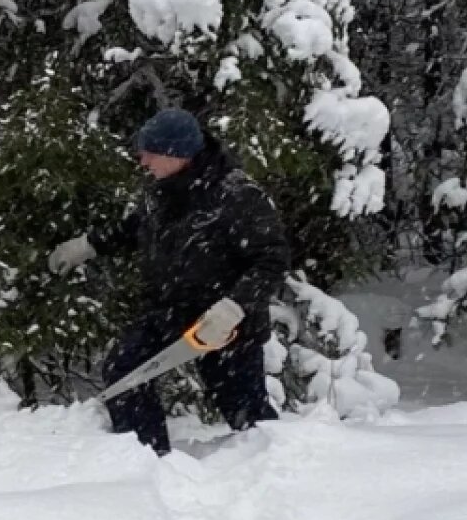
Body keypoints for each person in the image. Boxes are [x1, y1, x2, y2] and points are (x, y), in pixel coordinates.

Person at [49, 108, 290, 454]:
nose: (143, 160)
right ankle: (146, 459)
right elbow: (135, 227)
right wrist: (88, 246)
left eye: (151, 153)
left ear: (177, 153)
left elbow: (272, 259)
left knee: (245, 412)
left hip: (224, 324)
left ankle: (283, 470)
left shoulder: (237, 195)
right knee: (125, 371)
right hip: (169, 311)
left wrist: (234, 306)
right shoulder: (162, 191)